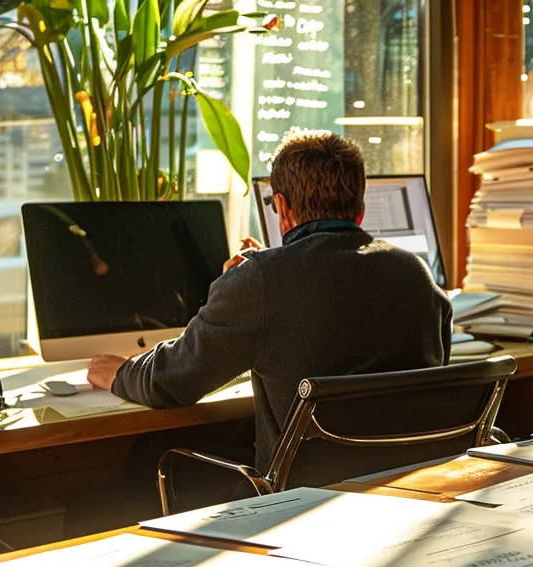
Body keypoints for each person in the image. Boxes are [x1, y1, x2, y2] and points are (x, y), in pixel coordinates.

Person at [87, 131, 451, 483]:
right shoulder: (415, 274)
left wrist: (121, 375)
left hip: (297, 501)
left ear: (281, 206)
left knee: (147, 455)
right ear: (360, 209)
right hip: (405, 488)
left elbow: (173, 381)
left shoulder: (261, 280)